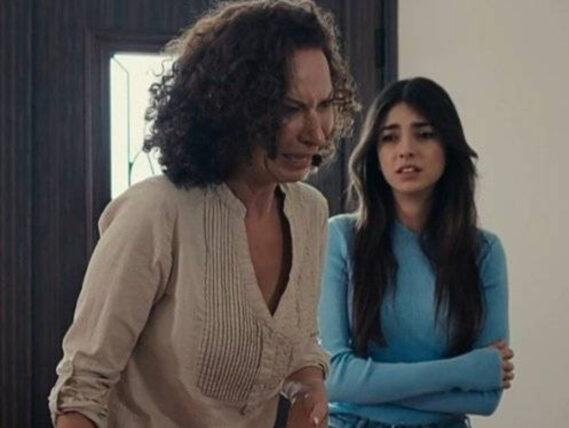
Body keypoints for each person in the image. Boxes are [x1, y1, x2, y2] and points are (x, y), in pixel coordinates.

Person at [49, 1, 358, 427]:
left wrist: (309, 386)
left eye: (324, 105)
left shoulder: (309, 211)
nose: (317, 132)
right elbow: (82, 392)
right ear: (232, 108)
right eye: (290, 109)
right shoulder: (156, 212)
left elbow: (299, 345)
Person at [318, 77, 514, 428]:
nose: (406, 149)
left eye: (424, 134)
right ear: (375, 153)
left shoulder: (483, 253)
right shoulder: (342, 237)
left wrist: (369, 390)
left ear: (448, 145)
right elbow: (334, 378)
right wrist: (466, 369)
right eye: (389, 137)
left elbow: (485, 397)